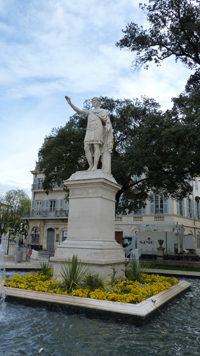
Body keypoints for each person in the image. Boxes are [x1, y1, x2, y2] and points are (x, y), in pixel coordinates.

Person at [65, 96, 113, 174]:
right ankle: (90, 165)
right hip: (89, 130)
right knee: (86, 147)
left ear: (99, 102)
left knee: (96, 146)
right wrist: (70, 103)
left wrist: (108, 127)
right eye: (92, 101)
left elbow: (108, 122)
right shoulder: (90, 111)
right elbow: (79, 111)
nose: (93, 102)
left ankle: (95, 166)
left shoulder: (103, 111)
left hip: (98, 129)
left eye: (95, 100)